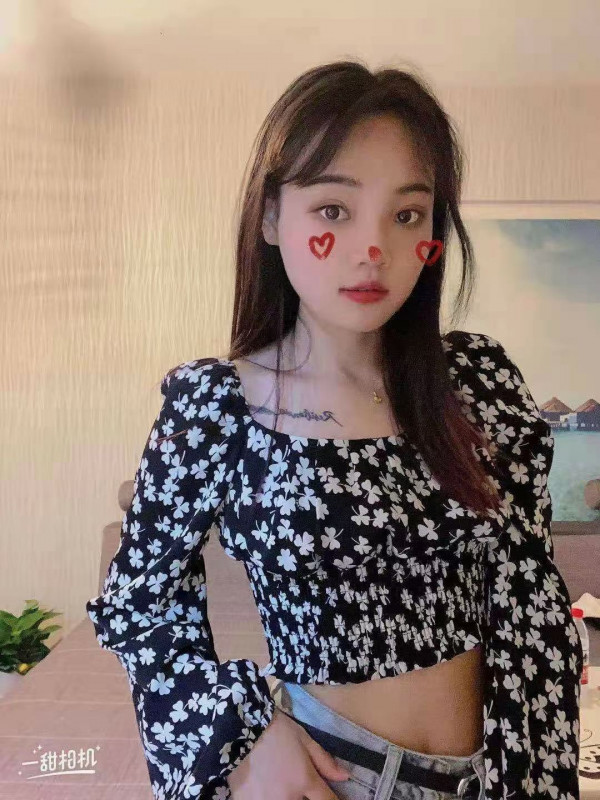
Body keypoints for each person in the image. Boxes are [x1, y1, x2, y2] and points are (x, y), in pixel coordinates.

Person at [85, 59, 583, 800]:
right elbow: (139, 605)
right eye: (333, 210)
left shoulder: (480, 383)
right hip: (330, 774)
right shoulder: (218, 405)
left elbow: (531, 594)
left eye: (406, 214)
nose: (372, 248)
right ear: (270, 218)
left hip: (493, 773)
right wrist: (242, 738)